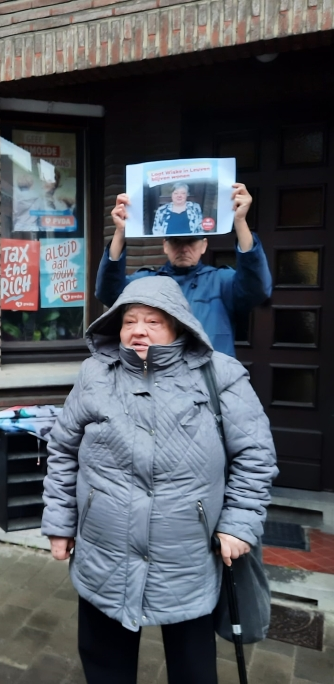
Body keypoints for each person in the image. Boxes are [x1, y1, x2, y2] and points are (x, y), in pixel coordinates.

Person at [42, 276, 277, 684]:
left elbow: (256, 454)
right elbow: (63, 450)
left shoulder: (219, 375)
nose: (138, 330)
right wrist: (60, 524)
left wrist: (239, 525)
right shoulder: (95, 374)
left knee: (194, 669)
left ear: (179, 326)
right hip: (104, 552)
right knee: (104, 665)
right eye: (130, 320)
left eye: (153, 320)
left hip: (189, 555)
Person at [95, 182, 271, 357]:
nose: (184, 248)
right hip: (159, 378)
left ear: (204, 246)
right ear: (165, 246)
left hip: (210, 379)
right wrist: (120, 232)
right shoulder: (146, 282)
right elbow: (109, 292)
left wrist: (240, 221)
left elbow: (256, 288)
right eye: (176, 242)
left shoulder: (220, 281)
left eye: (191, 242)